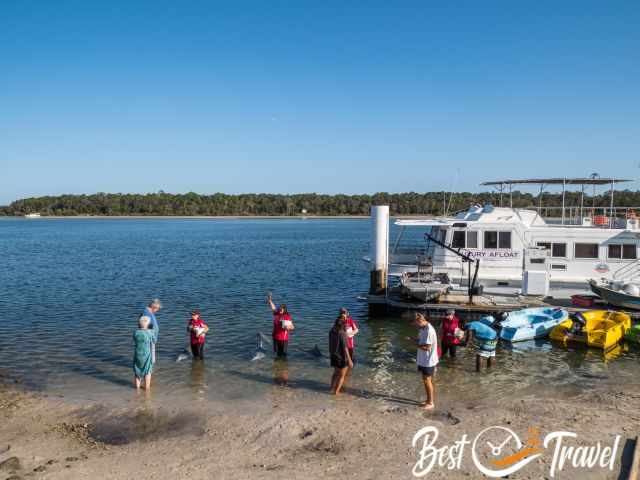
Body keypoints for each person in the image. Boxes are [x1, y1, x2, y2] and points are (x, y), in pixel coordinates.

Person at [407, 312, 438, 410]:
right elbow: (420, 340)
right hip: (423, 359)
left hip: (428, 360)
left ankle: (431, 402)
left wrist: (413, 343)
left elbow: (427, 347)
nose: (415, 326)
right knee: (426, 380)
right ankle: (428, 400)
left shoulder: (429, 330)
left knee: (427, 381)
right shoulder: (423, 328)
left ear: (419, 320)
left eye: (415, 324)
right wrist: (413, 339)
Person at [329, 315, 353, 395]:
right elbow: (345, 347)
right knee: (342, 375)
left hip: (333, 355)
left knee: (335, 373)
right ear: (343, 325)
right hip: (342, 357)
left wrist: (331, 354)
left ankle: (331, 388)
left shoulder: (331, 332)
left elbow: (330, 344)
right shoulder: (342, 334)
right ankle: (336, 392)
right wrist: (349, 360)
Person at [133, 315, 158, 390]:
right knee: (147, 371)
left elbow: (134, 339)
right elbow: (154, 341)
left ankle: (137, 388)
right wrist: (152, 331)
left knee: (137, 371)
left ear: (139, 324)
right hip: (146, 355)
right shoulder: (150, 333)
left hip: (137, 354)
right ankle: (147, 388)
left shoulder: (136, 332)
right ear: (148, 324)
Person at [142, 299, 162, 365]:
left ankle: (149, 370)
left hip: (151, 337)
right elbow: (144, 326)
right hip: (149, 338)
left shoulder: (148, 312)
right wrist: (153, 338)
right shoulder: (147, 313)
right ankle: (149, 372)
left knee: (149, 357)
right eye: (157, 309)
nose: (157, 311)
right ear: (154, 307)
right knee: (150, 358)